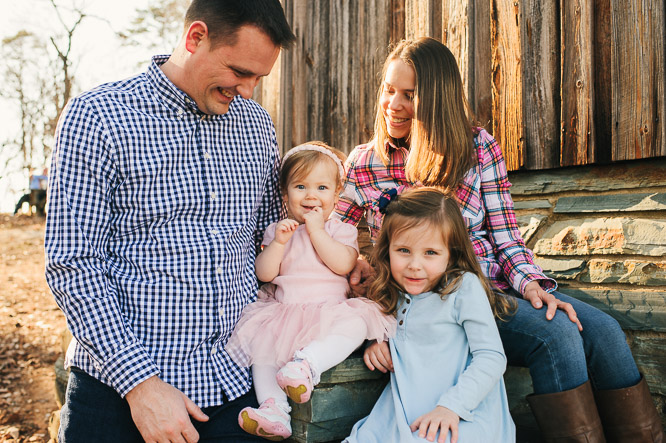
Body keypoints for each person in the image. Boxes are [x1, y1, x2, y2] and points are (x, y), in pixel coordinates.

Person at [335, 37, 664, 442]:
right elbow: (333, 242)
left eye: (410, 94)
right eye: (388, 90)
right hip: (437, 300)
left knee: (605, 331)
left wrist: (534, 286)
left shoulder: (476, 147)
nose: (394, 104)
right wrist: (367, 311)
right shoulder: (364, 164)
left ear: (437, 97)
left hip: (494, 285)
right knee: (555, 335)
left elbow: (506, 238)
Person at [45, 1, 296, 442]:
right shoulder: (98, 116)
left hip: (234, 390)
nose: (249, 90)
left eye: (259, 77)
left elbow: (269, 238)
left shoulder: (257, 125)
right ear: (195, 38)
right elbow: (72, 263)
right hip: (118, 394)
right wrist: (140, 384)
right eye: (239, 71)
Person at [225, 142, 395, 440]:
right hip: (285, 312)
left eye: (321, 187)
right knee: (263, 348)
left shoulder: (340, 230)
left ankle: (306, 365)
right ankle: (274, 408)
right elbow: (264, 273)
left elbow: (344, 264)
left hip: (329, 312)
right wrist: (277, 244)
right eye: (300, 186)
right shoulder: (280, 230)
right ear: (285, 194)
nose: (311, 195)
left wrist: (316, 231)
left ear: (336, 194)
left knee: (356, 325)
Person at [344, 188, 515, 443]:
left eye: (430, 253)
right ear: (387, 248)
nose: (415, 264)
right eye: (403, 250)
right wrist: (376, 340)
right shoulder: (391, 288)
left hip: (460, 409)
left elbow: (491, 357)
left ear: (452, 253)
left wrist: (451, 407)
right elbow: (390, 326)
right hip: (402, 409)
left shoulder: (462, 287)